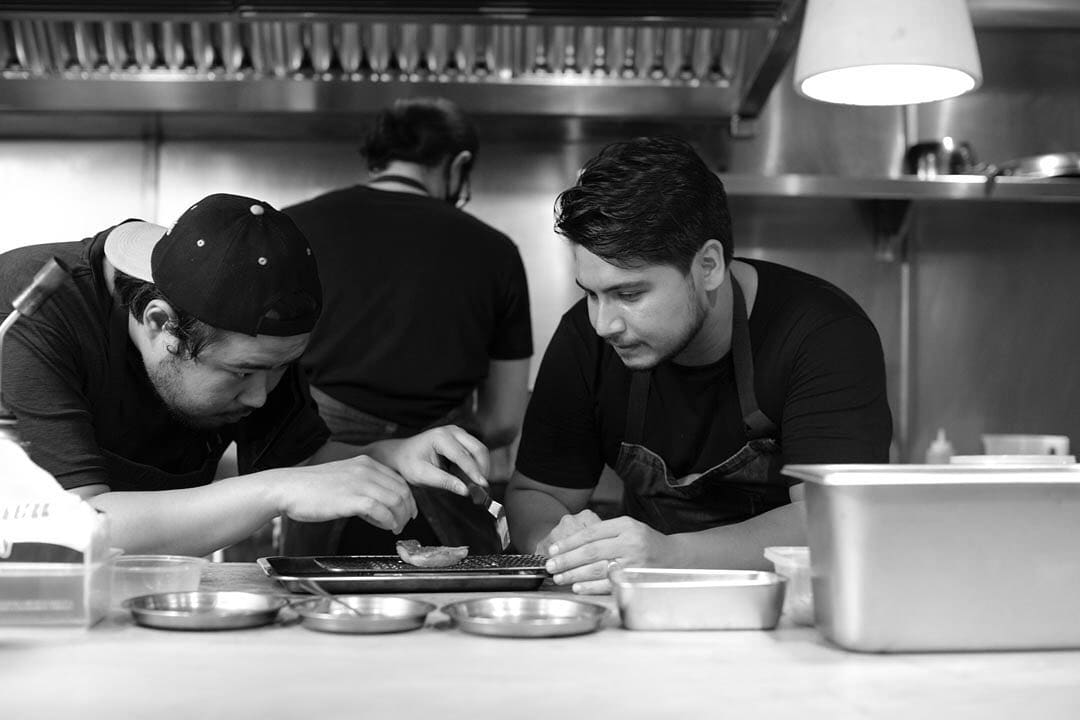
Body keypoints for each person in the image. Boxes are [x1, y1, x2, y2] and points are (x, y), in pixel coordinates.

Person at [0, 193, 490, 557]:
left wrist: (392, 455)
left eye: (281, 368)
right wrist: (274, 491)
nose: (259, 397)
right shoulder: (34, 311)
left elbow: (301, 461)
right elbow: (76, 527)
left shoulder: (248, 320)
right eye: (242, 372)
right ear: (159, 323)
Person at [506, 137, 892, 594]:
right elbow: (536, 495)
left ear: (707, 266)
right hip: (646, 615)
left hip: (793, 616)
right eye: (590, 293)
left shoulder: (822, 333)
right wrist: (564, 544)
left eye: (629, 294)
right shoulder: (585, 340)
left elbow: (835, 521)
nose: (603, 323)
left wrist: (671, 557)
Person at [282, 97, 532, 554]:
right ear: (459, 164)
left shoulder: (295, 229)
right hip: (448, 496)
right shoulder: (495, 251)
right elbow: (502, 420)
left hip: (326, 488)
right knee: (453, 618)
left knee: (315, 613)